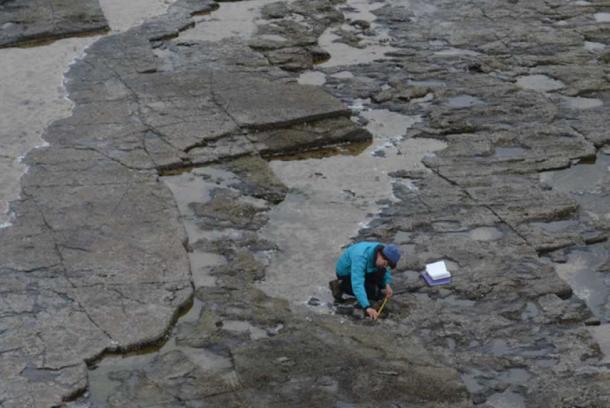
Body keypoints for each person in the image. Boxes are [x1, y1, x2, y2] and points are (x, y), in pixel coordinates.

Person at [329, 241, 401, 320]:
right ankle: (339, 285)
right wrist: (367, 307)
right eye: (384, 263)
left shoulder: (382, 251)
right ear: (379, 254)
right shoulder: (360, 257)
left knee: (381, 278)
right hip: (346, 273)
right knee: (372, 292)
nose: (385, 266)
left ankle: (372, 286)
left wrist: (387, 284)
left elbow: (386, 269)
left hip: (366, 268)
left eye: (387, 265)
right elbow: (357, 284)